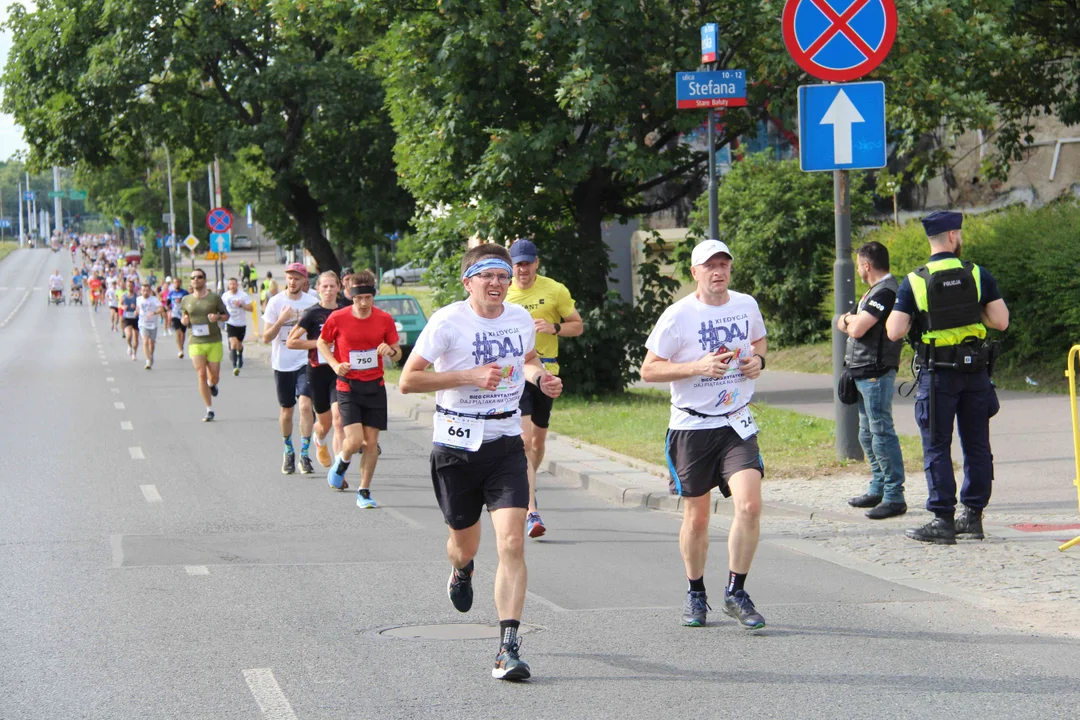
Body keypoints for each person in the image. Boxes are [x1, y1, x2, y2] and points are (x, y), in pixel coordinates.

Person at [400, 244, 563, 682]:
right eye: (487, 275)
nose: (496, 283)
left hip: (506, 441)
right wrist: (468, 376)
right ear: (467, 281)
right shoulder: (448, 321)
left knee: (512, 542)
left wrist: (541, 377)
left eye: (503, 276)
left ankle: (507, 648)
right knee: (464, 544)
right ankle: (461, 568)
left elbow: (527, 359)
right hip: (455, 445)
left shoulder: (518, 319)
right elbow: (408, 379)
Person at [639, 239, 768, 630]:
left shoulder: (746, 304)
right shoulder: (678, 316)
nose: (718, 272)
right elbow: (649, 370)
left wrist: (758, 361)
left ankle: (736, 591)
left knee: (749, 506)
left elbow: (759, 340)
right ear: (694, 273)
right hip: (692, 427)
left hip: (735, 423)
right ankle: (695, 592)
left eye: (724, 264)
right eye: (709, 266)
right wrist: (696, 366)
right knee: (696, 519)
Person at [886, 211, 1010, 545]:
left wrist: (921, 320)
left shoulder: (915, 280)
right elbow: (1001, 321)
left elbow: (895, 330)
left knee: (937, 446)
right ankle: (972, 517)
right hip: (976, 374)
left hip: (938, 376)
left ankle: (942, 520)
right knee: (977, 445)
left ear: (933, 240)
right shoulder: (977, 274)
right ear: (953, 236)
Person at [505, 238, 584, 539]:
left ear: (537, 263)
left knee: (537, 444)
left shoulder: (555, 290)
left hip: (548, 372)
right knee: (524, 441)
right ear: (511, 265)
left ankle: (529, 481)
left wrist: (555, 328)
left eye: (527, 263)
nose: (522, 269)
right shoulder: (503, 292)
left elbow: (577, 325)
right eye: (517, 264)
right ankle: (530, 508)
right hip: (517, 374)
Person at [837, 241, 907, 519]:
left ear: (866, 265)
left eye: (857, 264)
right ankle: (878, 487)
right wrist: (847, 320)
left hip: (876, 372)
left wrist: (846, 321)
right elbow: (849, 323)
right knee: (867, 434)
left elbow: (857, 328)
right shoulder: (874, 291)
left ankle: (894, 495)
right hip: (863, 371)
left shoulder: (887, 291)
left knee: (881, 434)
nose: (857, 269)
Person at [320, 271, 401, 508]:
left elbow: (397, 353)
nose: (364, 303)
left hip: (375, 387)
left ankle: (364, 491)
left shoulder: (384, 319)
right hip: (348, 387)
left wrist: (391, 352)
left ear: (373, 296)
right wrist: (335, 364)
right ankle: (342, 462)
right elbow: (322, 342)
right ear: (351, 296)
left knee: (371, 443)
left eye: (368, 298)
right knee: (354, 441)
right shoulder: (338, 318)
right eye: (358, 299)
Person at [288, 271, 349, 472]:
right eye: (325, 286)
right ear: (318, 289)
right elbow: (291, 341)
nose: (329, 290)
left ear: (339, 288)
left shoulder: (346, 311)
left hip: (339, 371)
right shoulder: (312, 313)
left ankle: (338, 471)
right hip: (317, 371)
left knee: (339, 419)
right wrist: (321, 344)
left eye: (333, 286)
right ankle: (319, 439)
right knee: (325, 424)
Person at [262, 262, 319, 474]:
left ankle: (304, 455)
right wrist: (281, 321)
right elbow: (266, 337)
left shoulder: (312, 303)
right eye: (289, 277)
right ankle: (288, 450)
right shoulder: (275, 302)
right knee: (286, 412)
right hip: (282, 364)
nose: (292, 282)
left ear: (305, 280)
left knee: (305, 406)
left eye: (297, 278)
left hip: (305, 361)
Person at [180, 269, 229, 422]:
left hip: (213, 341)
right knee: (201, 373)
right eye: (193, 277)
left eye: (199, 277)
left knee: (214, 376)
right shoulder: (186, 300)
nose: (196, 280)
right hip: (195, 341)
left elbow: (226, 316)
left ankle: (211, 384)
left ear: (204, 280)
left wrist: (217, 317)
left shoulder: (214, 298)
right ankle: (209, 409)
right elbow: (184, 316)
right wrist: (184, 321)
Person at [221, 277, 254, 376]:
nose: (232, 286)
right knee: (233, 343)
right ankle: (235, 366)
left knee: (239, 345)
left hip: (241, 323)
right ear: (228, 286)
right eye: (230, 285)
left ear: (237, 285)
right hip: (230, 322)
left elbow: (251, 308)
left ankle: (239, 355)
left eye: (234, 284)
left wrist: (241, 305)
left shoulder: (243, 295)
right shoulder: (225, 296)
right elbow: (221, 307)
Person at [136, 283, 166, 369]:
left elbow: (161, 308)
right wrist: (136, 311)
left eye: (147, 290)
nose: (145, 292)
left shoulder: (154, 299)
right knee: (145, 342)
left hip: (153, 324)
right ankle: (148, 360)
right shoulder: (138, 299)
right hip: (143, 324)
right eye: (143, 290)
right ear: (141, 291)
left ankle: (151, 355)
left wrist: (154, 312)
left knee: (151, 344)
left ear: (150, 291)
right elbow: (138, 308)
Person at [167, 277, 190, 358]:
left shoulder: (185, 292)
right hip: (175, 314)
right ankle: (180, 350)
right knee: (178, 332)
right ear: (173, 284)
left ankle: (181, 346)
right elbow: (168, 303)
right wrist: (168, 309)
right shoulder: (171, 293)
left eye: (178, 282)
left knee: (183, 333)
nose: (176, 284)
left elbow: (189, 302)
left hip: (183, 314)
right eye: (175, 282)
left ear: (180, 283)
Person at [120, 279, 140, 360]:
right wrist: (123, 307)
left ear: (134, 287)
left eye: (131, 286)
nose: (130, 288)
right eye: (128, 286)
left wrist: (136, 308)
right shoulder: (123, 296)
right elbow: (120, 304)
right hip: (127, 317)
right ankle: (129, 346)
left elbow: (140, 307)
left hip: (135, 318)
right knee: (128, 335)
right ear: (126, 286)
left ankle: (134, 353)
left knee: (136, 337)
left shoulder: (137, 296)